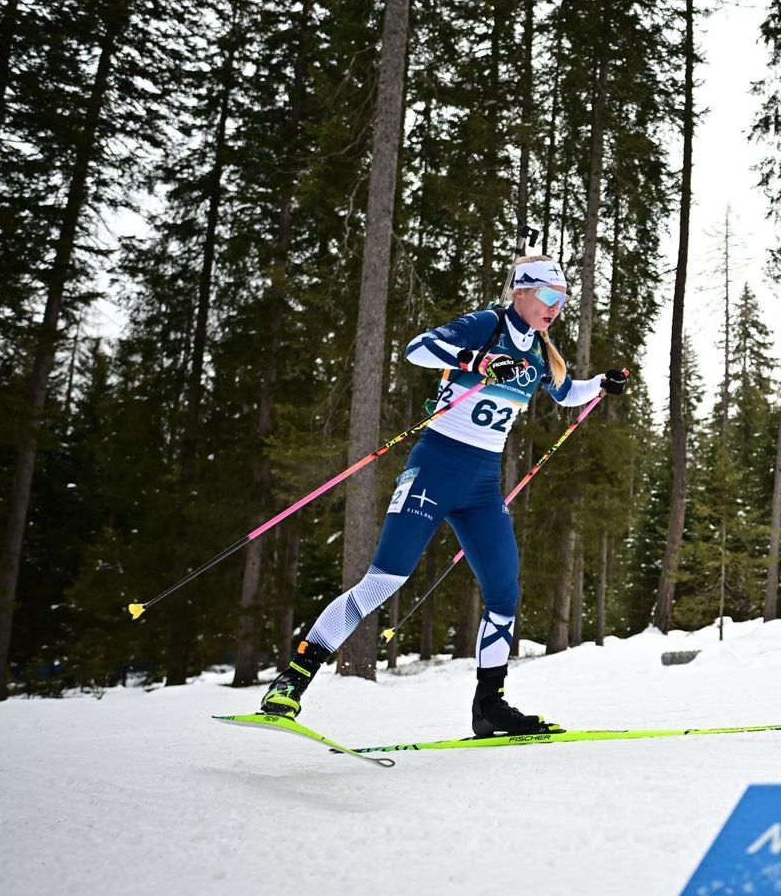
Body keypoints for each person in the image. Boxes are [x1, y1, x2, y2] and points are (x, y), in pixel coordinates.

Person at [258, 255, 628, 735]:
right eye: (550, 297)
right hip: (434, 469)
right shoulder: (485, 325)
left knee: (504, 593)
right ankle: (292, 680)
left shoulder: (539, 353)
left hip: (482, 486)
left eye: (563, 299)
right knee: (382, 582)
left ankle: (489, 705)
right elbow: (417, 349)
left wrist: (601, 383)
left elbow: (566, 393)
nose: (557, 308)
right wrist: (475, 359)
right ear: (521, 292)